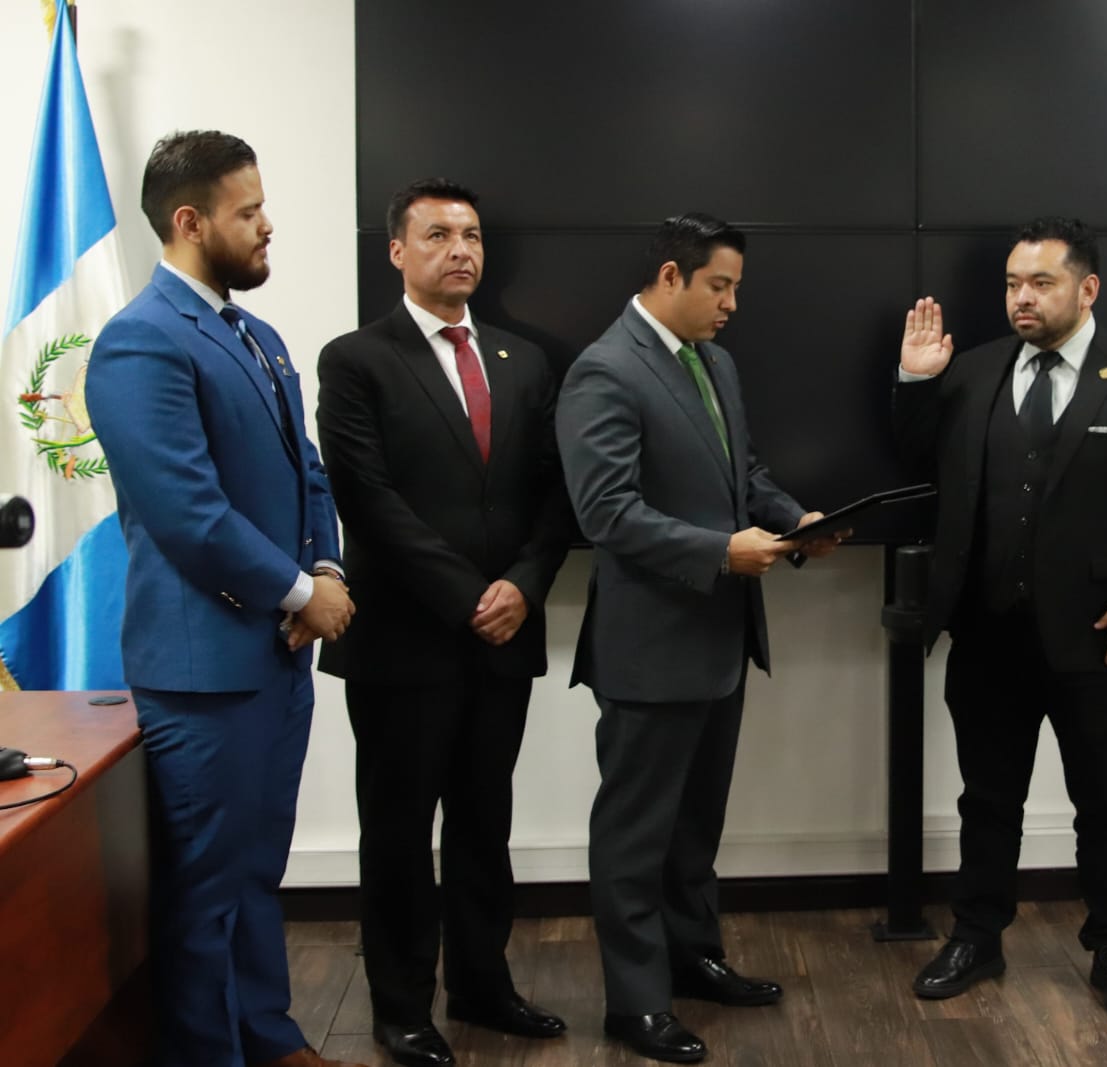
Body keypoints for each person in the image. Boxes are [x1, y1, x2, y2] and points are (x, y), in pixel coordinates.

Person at [84, 131, 362, 1067]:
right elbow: (188, 513)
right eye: (249, 211)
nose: (267, 224)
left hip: (277, 656)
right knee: (204, 889)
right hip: (203, 673)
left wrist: (327, 571)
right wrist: (300, 591)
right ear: (190, 221)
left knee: (255, 870)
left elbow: (308, 474)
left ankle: (267, 1035)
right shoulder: (140, 341)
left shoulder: (257, 337)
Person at [893, 216, 1107, 1017]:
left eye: (1040, 283)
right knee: (987, 798)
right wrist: (916, 381)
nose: (1021, 298)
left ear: (1086, 288)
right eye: (1011, 284)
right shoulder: (974, 370)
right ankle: (976, 936)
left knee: (1104, 801)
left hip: (1098, 636)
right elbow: (915, 460)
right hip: (987, 632)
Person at [556, 212, 841, 1064]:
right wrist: (721, 551)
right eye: (720, 286)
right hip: (651, 647)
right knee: (636, 833)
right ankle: (636, 1002)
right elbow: (606, 513)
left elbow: (740, 474)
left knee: (695, 825)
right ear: (671, 276)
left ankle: (693, 957)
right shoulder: (604, 370)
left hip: (719, 639)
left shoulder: (714, 362)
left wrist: (796, 520)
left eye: (736, 288)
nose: (731, 305)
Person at [314, 178, 571, 1067]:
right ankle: (399, 1005)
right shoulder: (356, 359)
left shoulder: (524, 360)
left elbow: (554, 491)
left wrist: (525, 584)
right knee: (396, 829)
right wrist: (469, 595)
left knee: (483, 822)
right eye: (437, 234)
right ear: (397, 250)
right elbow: (366, 499)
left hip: (506, 633)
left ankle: (483, 985)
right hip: (402, 640)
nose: (461, 249)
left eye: (472, 235)